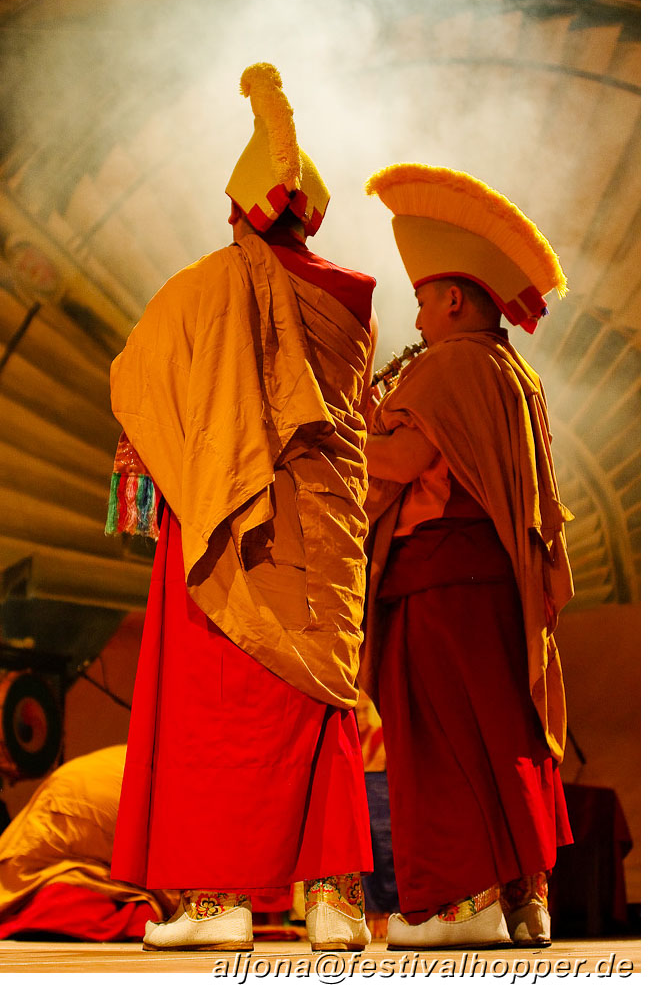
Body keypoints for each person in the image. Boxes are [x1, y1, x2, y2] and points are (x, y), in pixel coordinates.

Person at [105, 63, 378, 953]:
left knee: (212, 716)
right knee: (318, 703)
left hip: (227, 523)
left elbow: (140, 383)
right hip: (327, 531)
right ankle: (333, 901)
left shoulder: (204, 288)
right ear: (314, 217)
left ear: (238, 212)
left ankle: (211, 900)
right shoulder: (353, 302)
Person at [359, 163, 575, 949]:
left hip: (438, 581)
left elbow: (407, 457)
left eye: (421, 299)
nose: (417, 315)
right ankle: (524, 901)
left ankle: (458, 905)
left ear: (453, 298)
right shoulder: (513, 373)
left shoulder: (447, 364)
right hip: (492, 583)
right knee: (500, 729)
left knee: (440, 738)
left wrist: (337, 432)